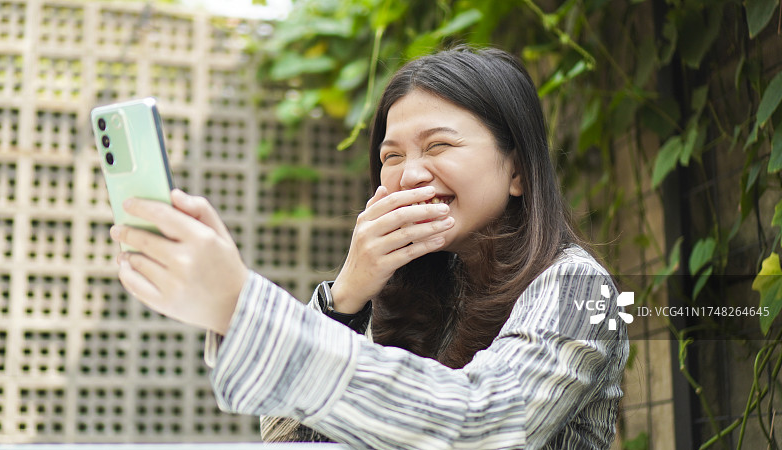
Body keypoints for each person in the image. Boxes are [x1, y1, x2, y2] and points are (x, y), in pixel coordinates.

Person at [110, 46, 628, 449]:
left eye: (439, 145)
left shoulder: (578, 288)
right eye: (392, 155)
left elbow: (483, 424)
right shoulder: (415, 285)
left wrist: (238, 303)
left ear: (516, 169)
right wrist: (346, 296)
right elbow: (290, 439)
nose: (410, 175)